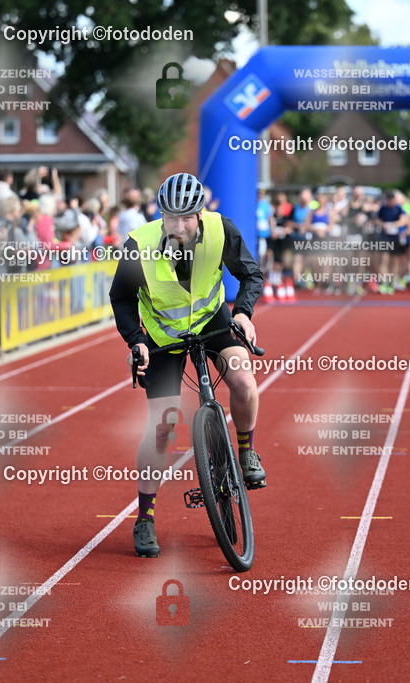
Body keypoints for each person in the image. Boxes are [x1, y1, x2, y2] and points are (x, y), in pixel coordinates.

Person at [108, 172, 265, 559]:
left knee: (243, 380)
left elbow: (250, 274)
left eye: (187, 217)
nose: (178, 226)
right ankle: (145, 518)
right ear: (160, 214)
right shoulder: (139, 245)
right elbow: (122, 299)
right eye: (170, 217)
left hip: (212, 320)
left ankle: (245, 451)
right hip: (162, 338)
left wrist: (243, 313)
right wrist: (137, 341)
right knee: (162, 426)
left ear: (200, 212)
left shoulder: (220, 230)